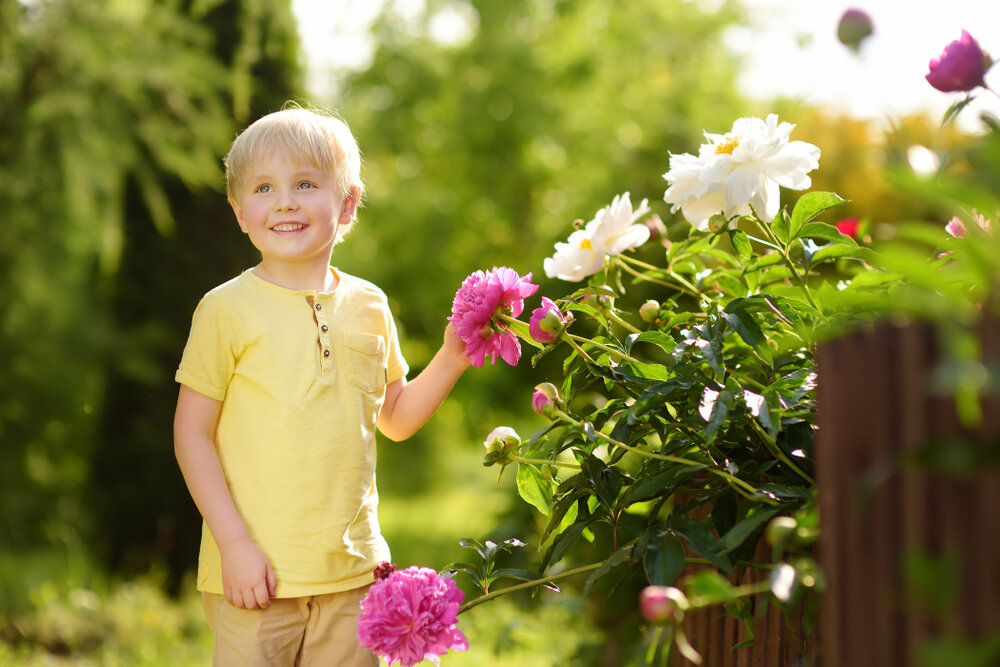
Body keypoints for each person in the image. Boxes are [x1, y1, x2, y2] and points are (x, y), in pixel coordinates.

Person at [173, 103, 470, 665]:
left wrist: (452, 357)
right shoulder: (225, 309)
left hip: (354, 574)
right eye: (263, 188)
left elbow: (397, 418)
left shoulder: (370, 305)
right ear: (240, 212)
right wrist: (233, 545)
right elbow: (191, 435)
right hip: (254, 576)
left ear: (348, 203)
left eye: (305, 183)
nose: (284, 200)